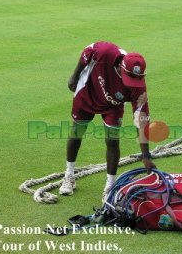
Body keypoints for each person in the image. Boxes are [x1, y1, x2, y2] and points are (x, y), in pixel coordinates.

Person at [59, 41, 156, 201]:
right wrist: (75, 76)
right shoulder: (105, 52)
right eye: (130, 79)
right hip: (87, 92)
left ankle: (110, 186)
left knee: (112, 141)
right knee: (77, 132)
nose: (133, 84)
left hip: (112, 106)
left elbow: (142, 119)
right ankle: (69, 175)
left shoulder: (138, 86)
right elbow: (86, 54)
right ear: (120, 67)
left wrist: (146, 155)